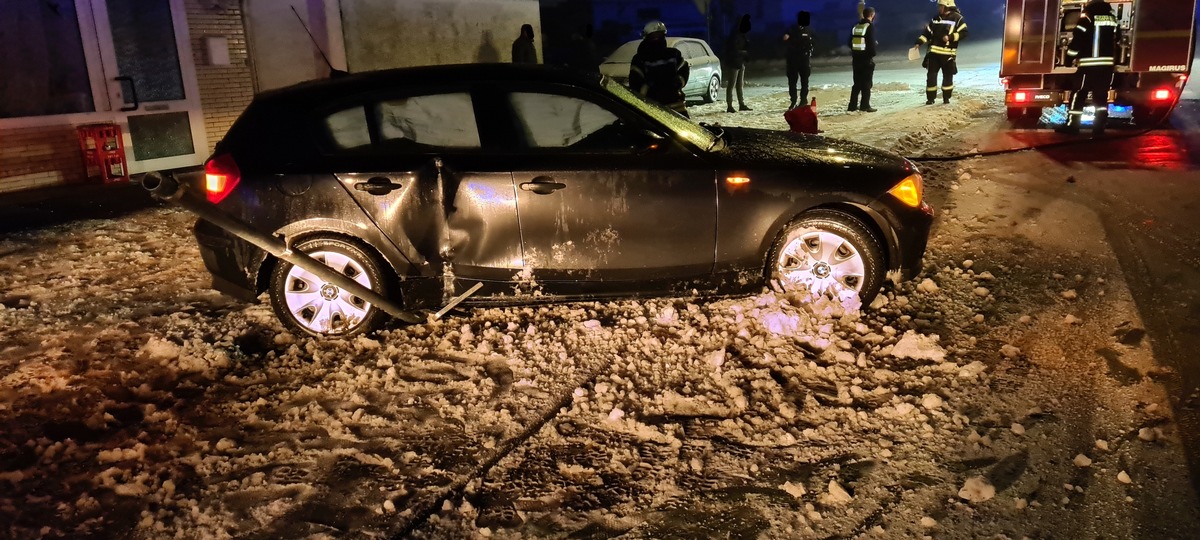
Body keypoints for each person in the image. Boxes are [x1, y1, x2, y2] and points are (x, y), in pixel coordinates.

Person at [1058, 0, 1119, 135]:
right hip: (1106, 66)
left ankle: (1073, 126)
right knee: (1101, 97)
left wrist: (1068, 58)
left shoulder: (1087, 18)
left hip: (1088, 66)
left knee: (1079, 94)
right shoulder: (1112, 19)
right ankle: (1099, 128)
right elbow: (1118, 38)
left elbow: (1078, 40)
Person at [629, 21, 690, 117]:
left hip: (677, 108)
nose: (657, 39)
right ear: (646, 38)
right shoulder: (639, 59)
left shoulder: (673, 54)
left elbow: (684, 70)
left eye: (660, 36)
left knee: (687, 131)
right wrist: (652, 91)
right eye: (653, 36)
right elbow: (635, 83)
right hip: (653, 111)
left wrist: (677, 83)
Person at [914, 0, 967, 105]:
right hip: (933, 53)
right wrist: (918, 43)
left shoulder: (958, 18)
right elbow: (927, 33)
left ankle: (946, 98)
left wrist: (950, 37)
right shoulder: (935, 19)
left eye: (940, 6)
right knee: (931, 77)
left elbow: (964, 33)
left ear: (947, 6)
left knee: (948, 77)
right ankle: (930, 99)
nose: (939, 8)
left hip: (948, 55)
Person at [848, 5, 877, 113]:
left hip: (856, 59)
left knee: (857, 84)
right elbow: (870, 44)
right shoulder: (869, 26)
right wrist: (872, 54)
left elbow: (850, 42)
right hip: (866, 60)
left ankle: (852, 106)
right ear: (872, 15)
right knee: (866, 84)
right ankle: (865, 105)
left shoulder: (856, 26)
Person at [784, 11, 815, 110]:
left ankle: (803, 100)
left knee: (804, 81)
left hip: (804, 60)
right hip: (792, 60)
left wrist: (810, 51)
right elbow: (783, 40)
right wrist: (786, 38)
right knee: (792, 82)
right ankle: (793, 101)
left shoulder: (809, 30)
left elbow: (814, 43)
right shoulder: (791, 29)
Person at [724, 14, 752, 113]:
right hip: (733, 63)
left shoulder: (742, 35)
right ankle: (730, 106)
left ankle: (741, 104)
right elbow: (732, 50)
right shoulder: (734, 35)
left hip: (740, 62)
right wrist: (743, 52)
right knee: (732, 85)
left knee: (740, 85)